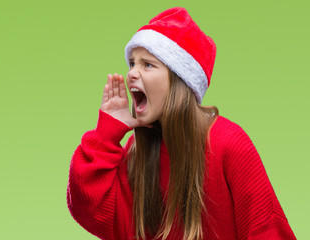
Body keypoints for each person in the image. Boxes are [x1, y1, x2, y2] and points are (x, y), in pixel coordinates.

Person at [67, 7, 296, 240]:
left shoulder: (229, 143)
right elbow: (90, 211)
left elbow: (268, 231)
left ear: (180, 80)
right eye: (132, 63)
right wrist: (106, 135)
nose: (132, 74)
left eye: (147, 64)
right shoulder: (138, 151)